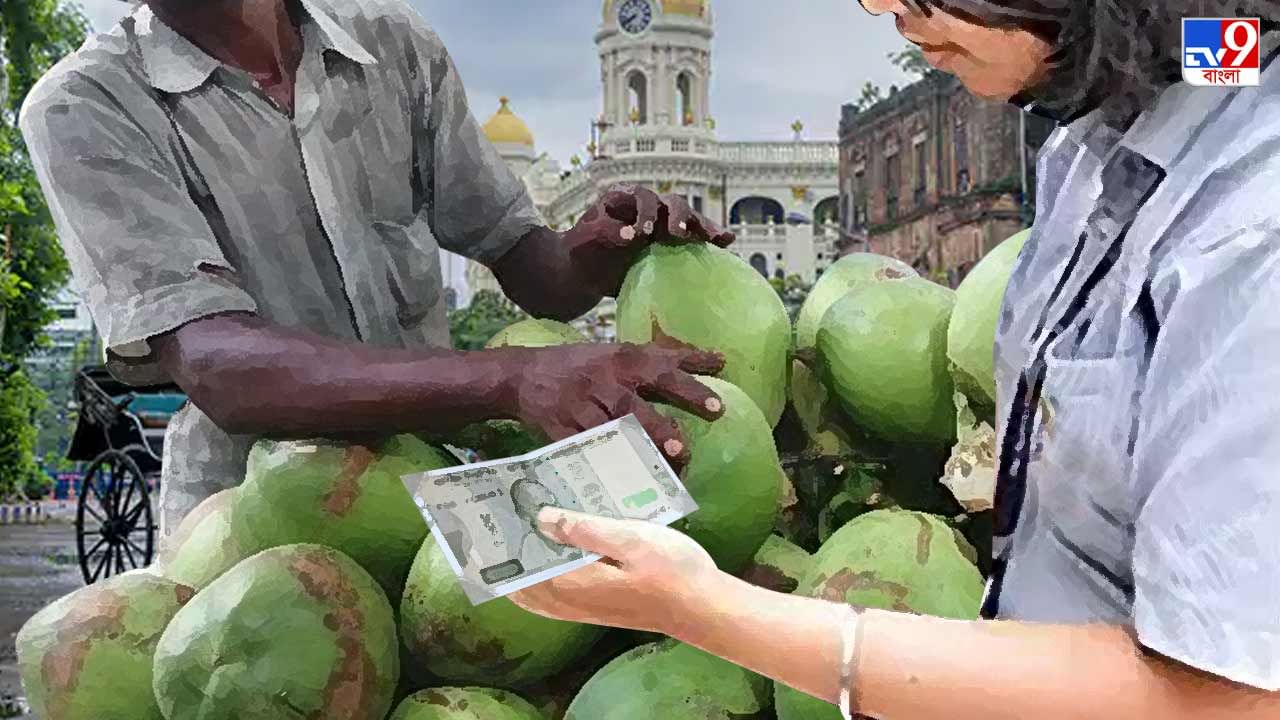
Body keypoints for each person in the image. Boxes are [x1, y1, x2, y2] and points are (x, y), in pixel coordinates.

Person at [512, 1, 1280, 717]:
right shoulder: (1099, 135)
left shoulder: (1250, 233)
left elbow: (1229, 694)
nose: (886, 9)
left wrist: (710, 611)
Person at [19, 0, 730, 543]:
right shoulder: (88, 106)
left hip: (441, 511)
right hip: (251, 534)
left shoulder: (397, 49)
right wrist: (515, 380)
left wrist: (602, 247)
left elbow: (531, 266)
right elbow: (219, 365)